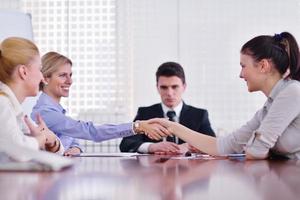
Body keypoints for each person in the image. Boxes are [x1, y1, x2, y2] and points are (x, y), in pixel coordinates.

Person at [151, 32, 300, 160]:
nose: (241, 74)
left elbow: (256, 151)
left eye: (243, 66)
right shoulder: (269, 107)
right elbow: (226, 145)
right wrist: (172, 127)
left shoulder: (292, 92)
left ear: (263, 66)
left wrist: (254, 148)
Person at [31, 52, 170, 156]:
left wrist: (76, 148)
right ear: (45, 78)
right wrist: (137, 126)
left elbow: (71, 139)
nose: (70, 81)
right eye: (62, 75)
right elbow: (91, 132)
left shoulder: (56, 111)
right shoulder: (45, 113)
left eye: (70, 75)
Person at [119, 62, 215, 154]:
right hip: (155, 168)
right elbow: (126, 144)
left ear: (184, 87)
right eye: (164, 87)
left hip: (189, 170)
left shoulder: (199, 115)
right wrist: (151, 147)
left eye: (175, 87)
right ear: (157, 88)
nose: (169, 93)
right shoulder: (145, 113)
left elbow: (214, 146)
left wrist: (190, 147)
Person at [0, 37, 64, 161]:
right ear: (23, 72)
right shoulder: (2, 105)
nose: (42, 78)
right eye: (40, 69)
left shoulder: (15, 109)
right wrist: (40, 139)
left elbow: (35, 147)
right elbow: (19, 152)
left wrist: (52, 143)